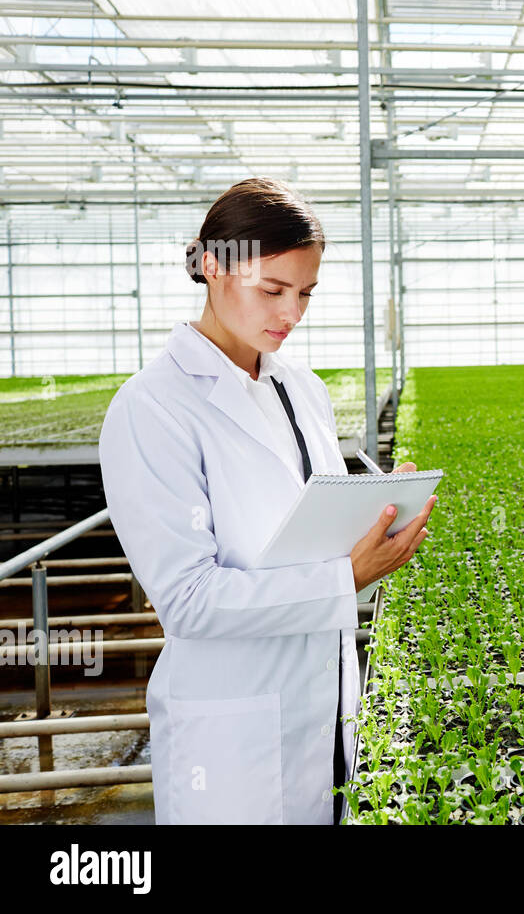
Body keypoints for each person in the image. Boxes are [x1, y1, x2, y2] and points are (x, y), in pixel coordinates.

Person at [97, 178, 436, 824]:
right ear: (214, 269)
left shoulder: (300, 388)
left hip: (326, 714)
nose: (292, 314)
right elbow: (191, 602)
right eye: (273, 290)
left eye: (305, 293)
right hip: (232, 751)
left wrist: (379, 515)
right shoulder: (152, 409)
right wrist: (348, 578)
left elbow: (305, 532)